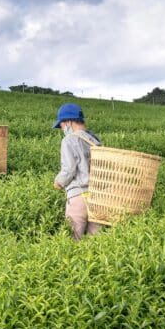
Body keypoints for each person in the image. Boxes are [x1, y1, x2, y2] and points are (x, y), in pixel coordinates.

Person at [52, 102, 104, 241]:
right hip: (98, 196)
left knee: (73, 238)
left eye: (61, 125)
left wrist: (58, 182)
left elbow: (68, 169)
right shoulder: (95, 140)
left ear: (68, 122)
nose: (62, 129)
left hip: (78, 196)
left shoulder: (69, 140)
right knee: (96, 240)